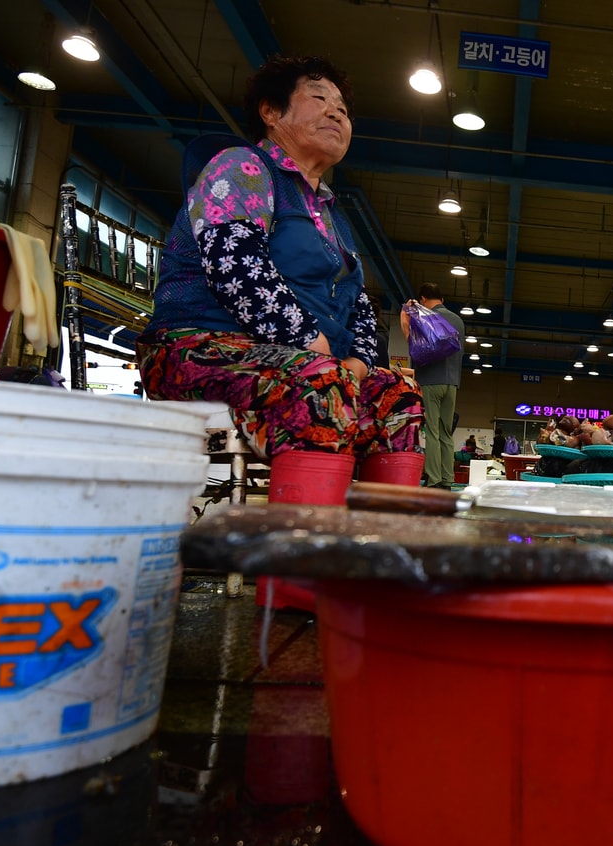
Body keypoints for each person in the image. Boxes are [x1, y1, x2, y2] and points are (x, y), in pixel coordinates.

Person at [136, 54, 424, 610]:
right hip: (194, 349)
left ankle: (379, 577)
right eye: (319, 98)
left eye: (343, 108)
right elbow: (237, 268)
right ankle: (297, 591)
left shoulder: (330, 214)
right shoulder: (240, 168)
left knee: (397, 396)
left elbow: (360, 307)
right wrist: (319, 351)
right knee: (319, 384)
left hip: (295, 364)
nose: (336, 114)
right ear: (271, 111)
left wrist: (361, 365)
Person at [401, 283, 465, 488]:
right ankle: (448, 478)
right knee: (446, 432)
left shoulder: (424, 316)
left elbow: (413, 344)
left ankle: (434, 479)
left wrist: (405, 316)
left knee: (432, 431)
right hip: (452, 382)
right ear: (442, 300)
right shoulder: (458, 320)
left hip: (430, 380)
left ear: (423, 300)